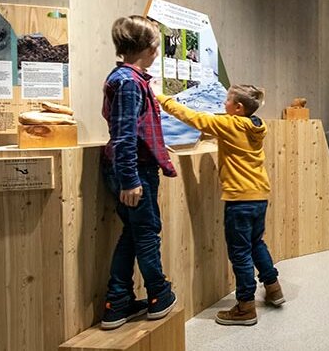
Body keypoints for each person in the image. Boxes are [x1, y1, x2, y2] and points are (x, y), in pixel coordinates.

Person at [157, 84, 284, 325]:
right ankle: (273, 288)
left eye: (227, 101)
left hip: (239, 199)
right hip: (259, 196)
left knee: (240, 253)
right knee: (256, 243)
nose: (222, 105)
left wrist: (162, 98)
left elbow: (193, 118)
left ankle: (245, 307)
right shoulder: (255, 125)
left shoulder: (229, 125)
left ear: (238, 108)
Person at [100, 16, 177, 330]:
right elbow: (124, 134)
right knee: (147, 234)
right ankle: (158, 293)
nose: (157, 51)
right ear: (148, 48)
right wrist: (130, 179)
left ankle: (117, 303)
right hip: (135, 172)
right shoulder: (130, 83)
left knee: (132, 234)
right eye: (156, 44)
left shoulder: (128, 78)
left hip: (133, 168)